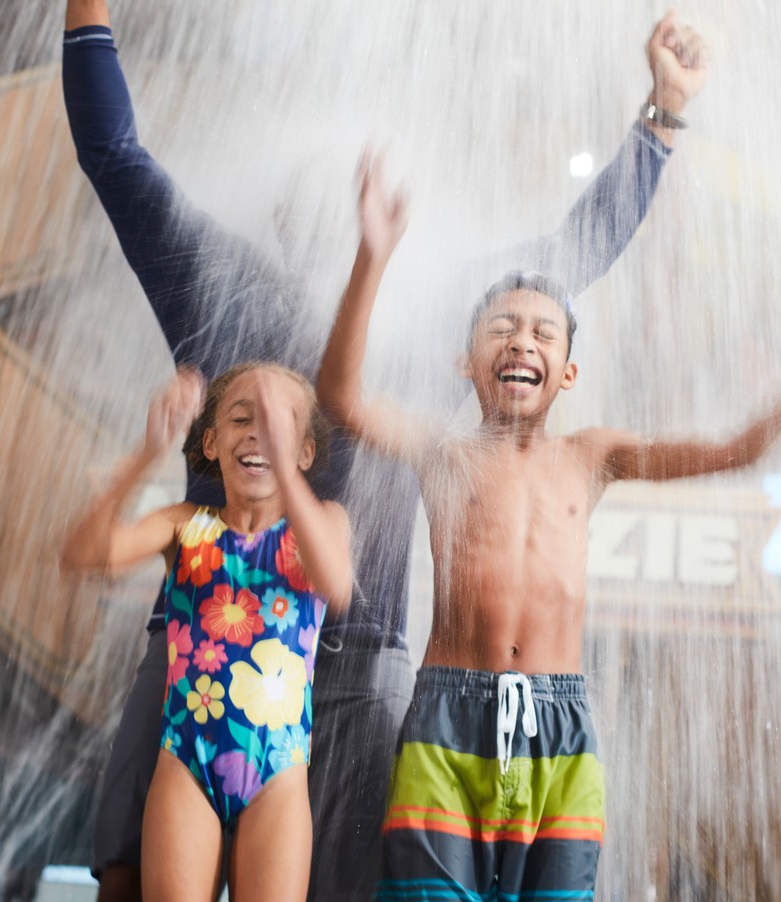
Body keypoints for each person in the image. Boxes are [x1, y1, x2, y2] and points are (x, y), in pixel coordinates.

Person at [60, 3, 708, 898]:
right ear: (284, 221)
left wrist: (663, 116)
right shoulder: (220, 284)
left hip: (357, 664)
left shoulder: (422, 329)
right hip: (206, 644)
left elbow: (573, 252)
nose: (346, 216)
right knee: (134, 878)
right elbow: (115, 158)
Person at [315, 154, 781, 900]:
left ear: (568, 374)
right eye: (503, 328)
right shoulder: (443, 454)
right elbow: (341, 397)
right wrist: (371, 259)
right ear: (467, 363)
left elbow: (742, 447)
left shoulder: (594, 457)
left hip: (559, 728)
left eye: (543, 333)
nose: (523, 340)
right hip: (448, 719)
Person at [62, 364, 353, 900]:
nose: (257, 432)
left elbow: (335, 584)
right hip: (186, 762)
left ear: (305, 452)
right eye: (242, 419)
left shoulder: (324, 522)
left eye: (276, 426)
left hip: (279, 772)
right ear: (212, 443)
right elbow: (84, 555)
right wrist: (149, 453)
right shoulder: (184, 524)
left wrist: (287, 476)